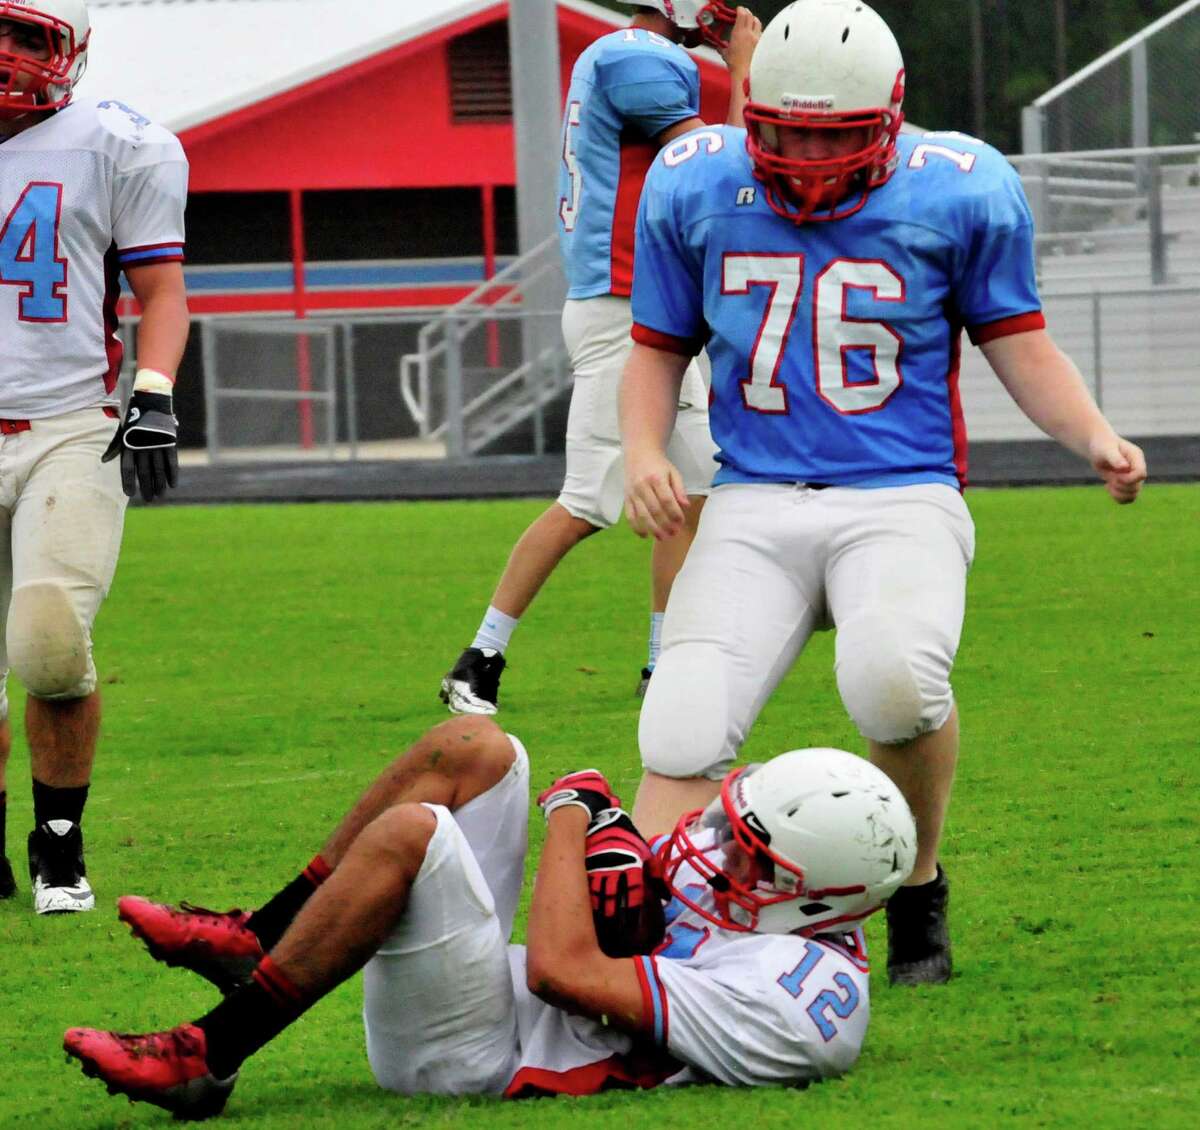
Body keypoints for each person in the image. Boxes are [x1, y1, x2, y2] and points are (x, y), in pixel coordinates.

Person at [620, 0, 1147, 986]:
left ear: (890, 120)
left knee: (894, 678)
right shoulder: (694, 182)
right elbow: (657, 347)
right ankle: (651, 930)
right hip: (753, 492)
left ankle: (916, 883)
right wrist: (645, 449)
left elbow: (1017, 341)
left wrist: (1092, 433)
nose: (809, 156)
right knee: (682, 719)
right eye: (786, 131)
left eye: (836, 136)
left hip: (901, 490)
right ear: (748, 107)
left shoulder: (959, 187)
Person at [63, 715, 916, 1117]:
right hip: (492, 1002)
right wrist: (610, 844)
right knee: (475, 747)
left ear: (816, 899)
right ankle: (267, 936)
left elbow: (563, 969)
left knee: (415, 834)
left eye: (742, 851)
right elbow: (638, 914)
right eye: (730, 823)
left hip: (481, 1057)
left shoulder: (790, 1001)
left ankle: (210, 1055)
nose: (711, 847)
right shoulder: (770, 894)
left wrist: (575, 817)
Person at [439, 2, 761, 716]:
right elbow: (725, 171)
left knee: (703, 487)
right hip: (622, 311)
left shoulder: (625, 58)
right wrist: (740, 70)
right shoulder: (635, 59)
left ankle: (663, 661)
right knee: (588, 501)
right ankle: (479, 659)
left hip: (647, 308)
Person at [0, 0, 188, 913]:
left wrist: (152, 393)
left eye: (25, 36)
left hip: (68, 424)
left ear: (66, 50)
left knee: (46, 642)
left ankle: (59, 843)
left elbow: (161, 287)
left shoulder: (119, 143)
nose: (5, 53)